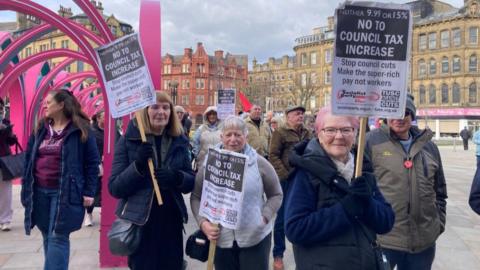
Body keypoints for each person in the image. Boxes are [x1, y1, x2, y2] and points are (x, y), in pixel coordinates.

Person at [284, 107, 395, 269]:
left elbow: (386, 222)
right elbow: (295, 229)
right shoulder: (306, 173)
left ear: (355, 134)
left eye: (346, 130)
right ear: (319, 134)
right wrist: (345, 210)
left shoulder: (362, 170)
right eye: (330, 130)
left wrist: (368, 203)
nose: (339, 136)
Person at [109, 91, 194, 270]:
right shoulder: (129, 140)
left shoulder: (179, 140)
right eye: (155, 107)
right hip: (141, 221)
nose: (161, 112)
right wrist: (138, 167)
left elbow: (190, 181)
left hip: (171, 219)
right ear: (145, 111)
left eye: (166, 107)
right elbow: (115, 188)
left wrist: (176, 177)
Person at [365, 94, 447, 270]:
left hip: (423, 242)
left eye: (406, 113)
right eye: (394, 112)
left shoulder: (429, 146)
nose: (399, 118)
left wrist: (438, 223)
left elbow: (440, 189)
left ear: (412, 116)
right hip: (385, 239)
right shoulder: (370, 141)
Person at [191, 116, 283, 270]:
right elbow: (196, 197)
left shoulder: (259, 163)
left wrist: (265, 217)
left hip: (254, 237)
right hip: (220, 240)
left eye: (238, 135)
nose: (233, 139)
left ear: (245, 136)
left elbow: (276, 194)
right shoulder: (209, 163)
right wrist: (203, 223)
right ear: (221, 136)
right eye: (228, 135)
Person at [21, 89, 100, 270]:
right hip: (39, 191)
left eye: (49, 102)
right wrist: (26, 189)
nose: (45, 106)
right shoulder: (40, 129)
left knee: (58, 236)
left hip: (65, 192)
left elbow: (92, 162)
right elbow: (28, 161)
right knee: (47, 235)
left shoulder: (81, 129)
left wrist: (89, 191)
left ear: (61, 104)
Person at [269, 105, 312, 270]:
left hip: (305, 179)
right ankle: (278, 254)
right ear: (288, 116)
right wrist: (285, 174)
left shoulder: (308, 133)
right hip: (287, 180)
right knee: (282, 218)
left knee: (304, 215)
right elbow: (273, 155)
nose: (300, 116)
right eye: (297, 114)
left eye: (302, 113)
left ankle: (305, 252)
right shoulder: (280, 132)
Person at [84, 110, 105, 227]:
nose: (107, 119)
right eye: (104, 117)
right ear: (98, 118)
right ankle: (89, 214)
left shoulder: (112, 131)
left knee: (106, 189)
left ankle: (104, 208)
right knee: (93, 188)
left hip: (108, 164)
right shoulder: (91, 131)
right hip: (95, 165)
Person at [0, 98, 17, 231]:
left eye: (1, 108)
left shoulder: (5, 123)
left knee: (6, 192)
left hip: (4, 161)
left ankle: (5, 220)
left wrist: (7, 130)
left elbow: (11, 142)